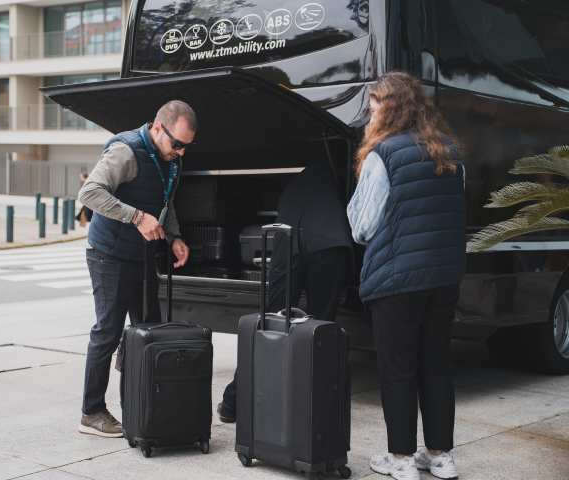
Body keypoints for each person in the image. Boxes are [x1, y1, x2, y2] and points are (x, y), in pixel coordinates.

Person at [347, 72, 465, 480]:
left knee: (397, 367)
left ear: (389, 107)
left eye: (374, 103)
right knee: (435, 363)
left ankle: (400, 458)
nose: (369, 111)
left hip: (397, 279)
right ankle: (440, 456)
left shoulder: (384, 154)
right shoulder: (449, 152)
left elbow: (362, 227)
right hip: (443, 276)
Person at [77, 100, 195, 438]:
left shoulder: (169, 158)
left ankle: (139, 403)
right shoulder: (125, 152)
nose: (181, 152)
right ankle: (92, 411)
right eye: (177, 144)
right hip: (109, 254)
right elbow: (90, 192)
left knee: (147, 332)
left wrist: (174, 237)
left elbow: (165, 199)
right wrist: (136, 216)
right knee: (108, 332)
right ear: (158, 128)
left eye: (187, 146)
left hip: (141, 255)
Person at [216, 160, 353, 423]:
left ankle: (233, 402)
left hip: (287, 237)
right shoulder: (337, 176)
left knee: (268, 326)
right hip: (329, 244)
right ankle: (314, 410)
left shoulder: (295, 186)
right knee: (320, 331)